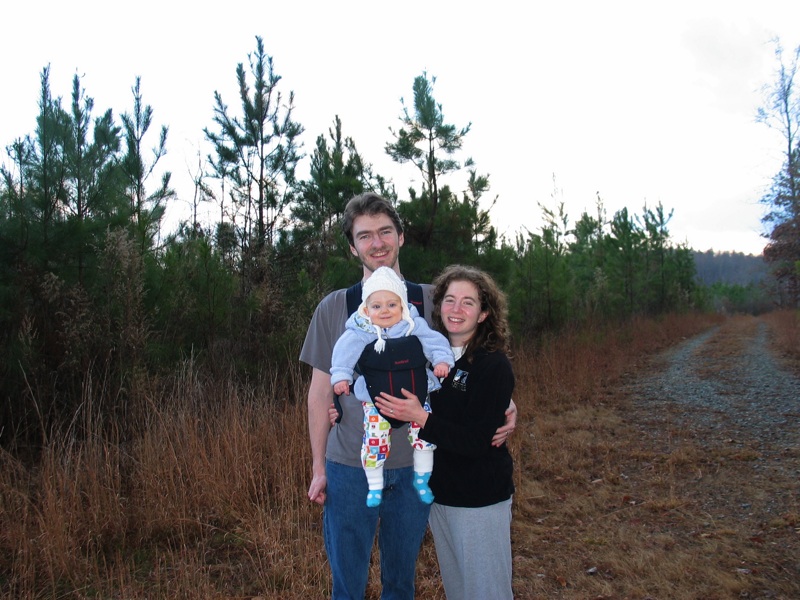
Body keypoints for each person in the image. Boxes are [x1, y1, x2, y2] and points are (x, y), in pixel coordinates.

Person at [301, 192, 515, 599]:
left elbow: (471, 362)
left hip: (418, 464)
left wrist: (506, 404)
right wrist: (318, 467)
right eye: (365, 236)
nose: (377, 242)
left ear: (401, 237)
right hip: (349, 467)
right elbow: (317, 394)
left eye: (385, 231)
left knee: (401, 585)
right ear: (353, 247)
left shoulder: (431, 300)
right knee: (347, 587)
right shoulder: (333, 308)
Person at [374, 265, 516, 600]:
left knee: (487, 591)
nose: (456, 309)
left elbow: (475, 441)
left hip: (480, 499)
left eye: (468, 302)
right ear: (439, 307)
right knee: (458, 591)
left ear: (483, 314)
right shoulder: (425, 356)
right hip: (441, 498)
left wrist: (422, 418)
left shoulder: (492, 365)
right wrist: (340, 403)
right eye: (450, 300)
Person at [330, 266, 455, 507]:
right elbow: (343, 352)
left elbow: (435, 341)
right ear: (367, 309)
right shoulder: (362, 329)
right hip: (376, 401)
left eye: (392, 304)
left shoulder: (412, 324)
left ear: (403, 305)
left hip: (417, 396)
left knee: (424, 436)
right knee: (374, 440)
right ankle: (374, 487)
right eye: (377, 306)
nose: (384, 311)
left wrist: (441, 360)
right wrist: (341, 376)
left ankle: (422, 479)